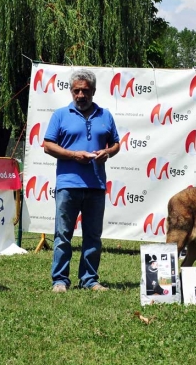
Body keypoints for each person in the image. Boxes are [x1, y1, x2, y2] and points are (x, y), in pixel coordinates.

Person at [43, 69, 120, 293]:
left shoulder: (105, 115)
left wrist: (109, 152)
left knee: (93, 236)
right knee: (63, 235)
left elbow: (115, 143)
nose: (80, 95)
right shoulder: (60, 114)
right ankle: (59, 280)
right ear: (71, 91)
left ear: (93, 91)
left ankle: (89, 279)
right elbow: (48, 145)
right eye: (76, 90)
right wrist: (74, 155)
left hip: (96, 185)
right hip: (68, 185)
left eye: (85, 91)